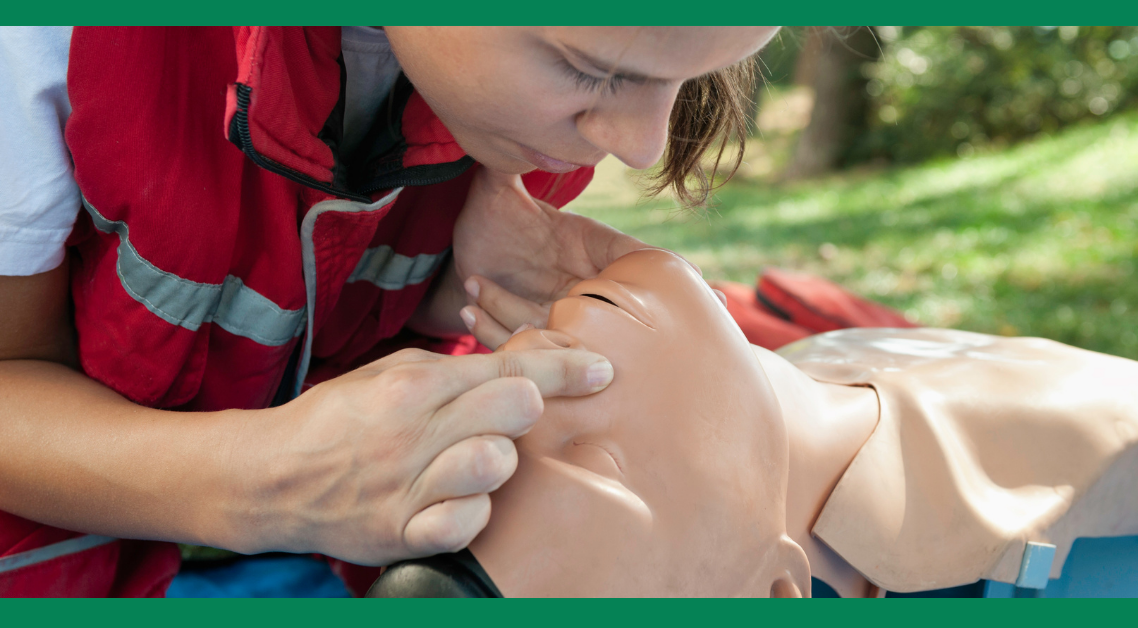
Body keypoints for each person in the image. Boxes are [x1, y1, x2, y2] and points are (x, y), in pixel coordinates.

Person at [0, 26, 778, 596]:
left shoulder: (514, 123)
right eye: (591, 70)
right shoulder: (40, 41)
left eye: (700, 75)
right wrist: (259, 481)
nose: (643, 145)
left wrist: (441, 291)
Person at [367, 248, 1138, 597]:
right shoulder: (1055, 455)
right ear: (778, 587)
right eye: (595, 459)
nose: (536, 374)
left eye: (505, 417)